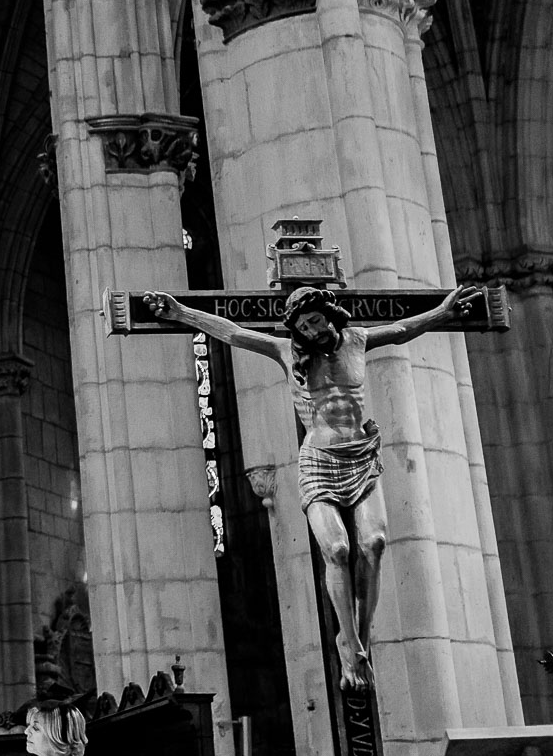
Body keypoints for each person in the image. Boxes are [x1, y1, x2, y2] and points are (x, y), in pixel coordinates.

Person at [143, 282, 483, 689]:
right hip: (319, 461)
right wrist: (181, 312)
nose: (313, 331)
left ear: (329, 314)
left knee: (374, 543)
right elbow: (234, 332)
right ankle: (349, 641)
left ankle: (359, 638)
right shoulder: (289, 352)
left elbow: (402, 329)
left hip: (361, 455)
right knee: (338, 550)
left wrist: (444, 312)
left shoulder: (356, 340)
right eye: (303, 326)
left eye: (317, 321)